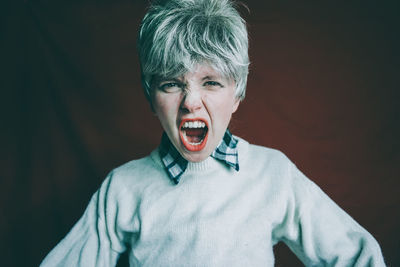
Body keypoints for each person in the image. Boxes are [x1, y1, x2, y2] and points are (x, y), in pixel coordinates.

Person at [40, 0, 386, 266]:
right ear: (151, 97)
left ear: (237, 95)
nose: (191, 101)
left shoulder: (273, 175)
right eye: (172, 84)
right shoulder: (124, 189)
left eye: (211, 82)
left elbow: (357, 254)